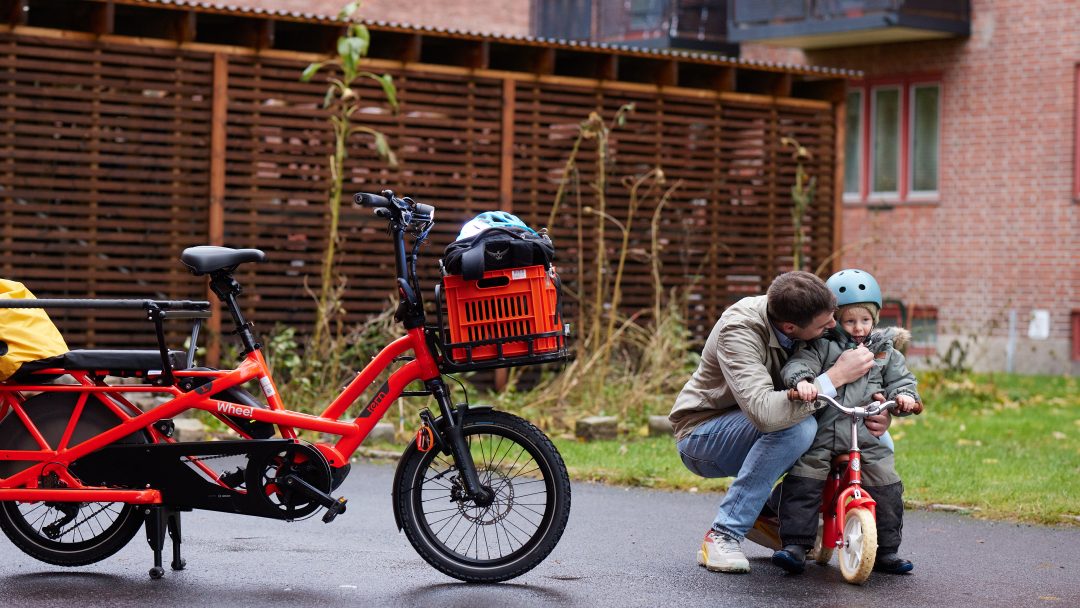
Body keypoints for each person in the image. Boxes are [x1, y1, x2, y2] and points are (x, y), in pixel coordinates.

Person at [670, 271, 891, 574]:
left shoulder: (807, 315)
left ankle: (769, 513)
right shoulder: (739, 330)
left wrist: (878, 412)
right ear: (790, 328)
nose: (833, 325)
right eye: (825, 323)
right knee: (800, 428)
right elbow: (764, 413)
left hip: (777, 418)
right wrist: (836, 376)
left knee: (858, 434)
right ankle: (722, 535)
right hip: (704, 434)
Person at [771, 268, 921, 575]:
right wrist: (803, 382)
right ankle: (797, 545)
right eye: (849, 320)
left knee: (886, 481)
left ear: (875, 319)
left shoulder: (884, 352)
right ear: (835, 319)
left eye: (865, 320)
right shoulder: (821, 345)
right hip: (824, 431)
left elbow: (901, 380)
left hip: (864, 433)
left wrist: (904, 397)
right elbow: (800, 364)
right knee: (805, 478)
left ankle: (886, 551)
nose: (857, 327)